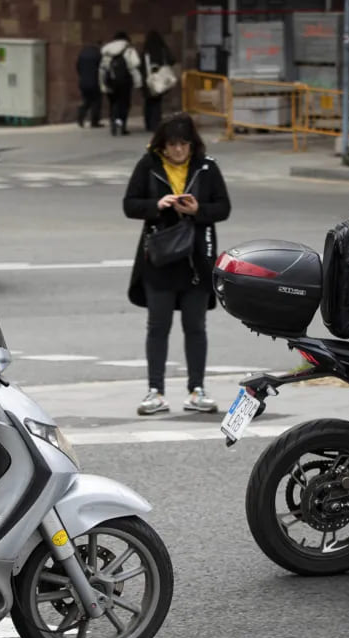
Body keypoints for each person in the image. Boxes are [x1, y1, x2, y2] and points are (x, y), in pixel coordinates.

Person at [123, 113, 230, 416]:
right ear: (162, 146)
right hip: (159, 260)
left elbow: (223, 207)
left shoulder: (207, 167)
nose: (179, 150)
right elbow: (129, 204)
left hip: (196, 259)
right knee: (158, 327)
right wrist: (157, 205)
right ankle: (155, 392)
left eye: (184, 144)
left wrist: (198, 209)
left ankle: (197, 389)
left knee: (195, 326)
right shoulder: (149, 165)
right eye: (172, 145)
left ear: (192, 144)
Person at [99, 32, 141, 136]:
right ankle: (122, 125)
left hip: (110, 81)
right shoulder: (128, 49)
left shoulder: (107, 50)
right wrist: (138, 82)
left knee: (113, 103)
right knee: (124, 104)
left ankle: (113, 124)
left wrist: (102, 84)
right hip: (125, 82)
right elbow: (134, 65)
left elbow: (102, 69)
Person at [140, 31, 175, 132]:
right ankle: (155, 123)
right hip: (160, 80)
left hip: (148, 80)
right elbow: (172, 60)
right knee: (157, 103)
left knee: (148, 102)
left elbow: (141, 66)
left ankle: (148, 123)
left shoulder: (145, 52)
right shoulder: (162, 50)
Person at [76, 42, 103, 128]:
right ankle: (94, 121)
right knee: (96, 101)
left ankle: (80, 117)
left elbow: (78, 67)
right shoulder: (98, 55)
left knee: (86, 101)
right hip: (95, 81)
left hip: (83, 82)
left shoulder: (82, 55)